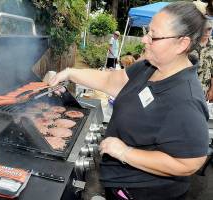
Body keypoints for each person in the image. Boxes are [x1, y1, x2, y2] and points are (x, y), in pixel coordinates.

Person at [49, 2, 209, 200]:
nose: (144, 39)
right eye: (146, 31)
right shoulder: (148, 66)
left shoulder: (186, 99)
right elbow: (111, 80)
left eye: (153, 36)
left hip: (145, 193)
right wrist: (71, 73)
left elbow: (189, 163)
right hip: (117, 183)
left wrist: (126, 153)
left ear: (182, 44)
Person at [190, 19, 213, 101]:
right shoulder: (189, 44)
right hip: (189, 87)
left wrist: (211, 90)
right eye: (204, 29)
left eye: (209, 29)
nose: (206, 32)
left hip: (205, 89)